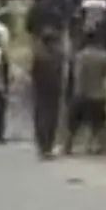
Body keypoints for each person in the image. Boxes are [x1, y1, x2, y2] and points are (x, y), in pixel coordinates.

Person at [65, 30, 106, 155]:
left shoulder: (81, 56)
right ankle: (94, 145)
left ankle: (68, 145)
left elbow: (77, 75)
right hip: (99, 94)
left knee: (74, 122)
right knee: (97, 122)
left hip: (82, 93)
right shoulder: (104, 56)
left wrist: (76, 92)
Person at [30, 28, 65, 159]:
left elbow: (33, 73)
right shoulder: (59, 55)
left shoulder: (39, 55)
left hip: (40, 89)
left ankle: (42, 146)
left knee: (41, 116)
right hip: (54, 89)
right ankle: (48, 146)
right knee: (52, 117)